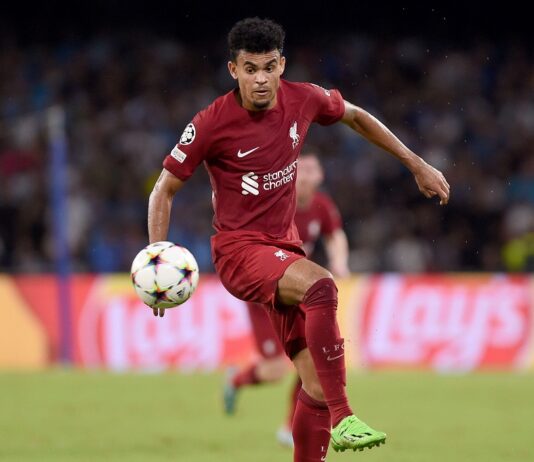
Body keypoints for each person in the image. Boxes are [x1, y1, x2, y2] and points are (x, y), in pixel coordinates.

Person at [148, 17, 450, 461]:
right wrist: (155, 258)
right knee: (321, 285)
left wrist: (415, 163)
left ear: (282, 64)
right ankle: (346, 417)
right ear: (233, 70)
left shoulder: (303, 99)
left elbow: (356, 117)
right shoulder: (211, 122)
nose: (261, 78)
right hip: (238, 252)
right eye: (250, 68)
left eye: (270, 66)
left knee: (314, 384)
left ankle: (329, 417)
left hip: (283, 249)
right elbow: (164, 189)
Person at [223, 151, 350, 450]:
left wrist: (340, 262)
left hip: (294, 288)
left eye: (312, 169)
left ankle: (288, 426)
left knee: (313, 358)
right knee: (275, 371)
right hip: (262, 291)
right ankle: (235, 381)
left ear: (320, 176)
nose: (306, 175)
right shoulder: (278, 202)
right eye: (300, 169)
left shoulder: (322, 206)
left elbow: (335, 236)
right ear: (290, 174)